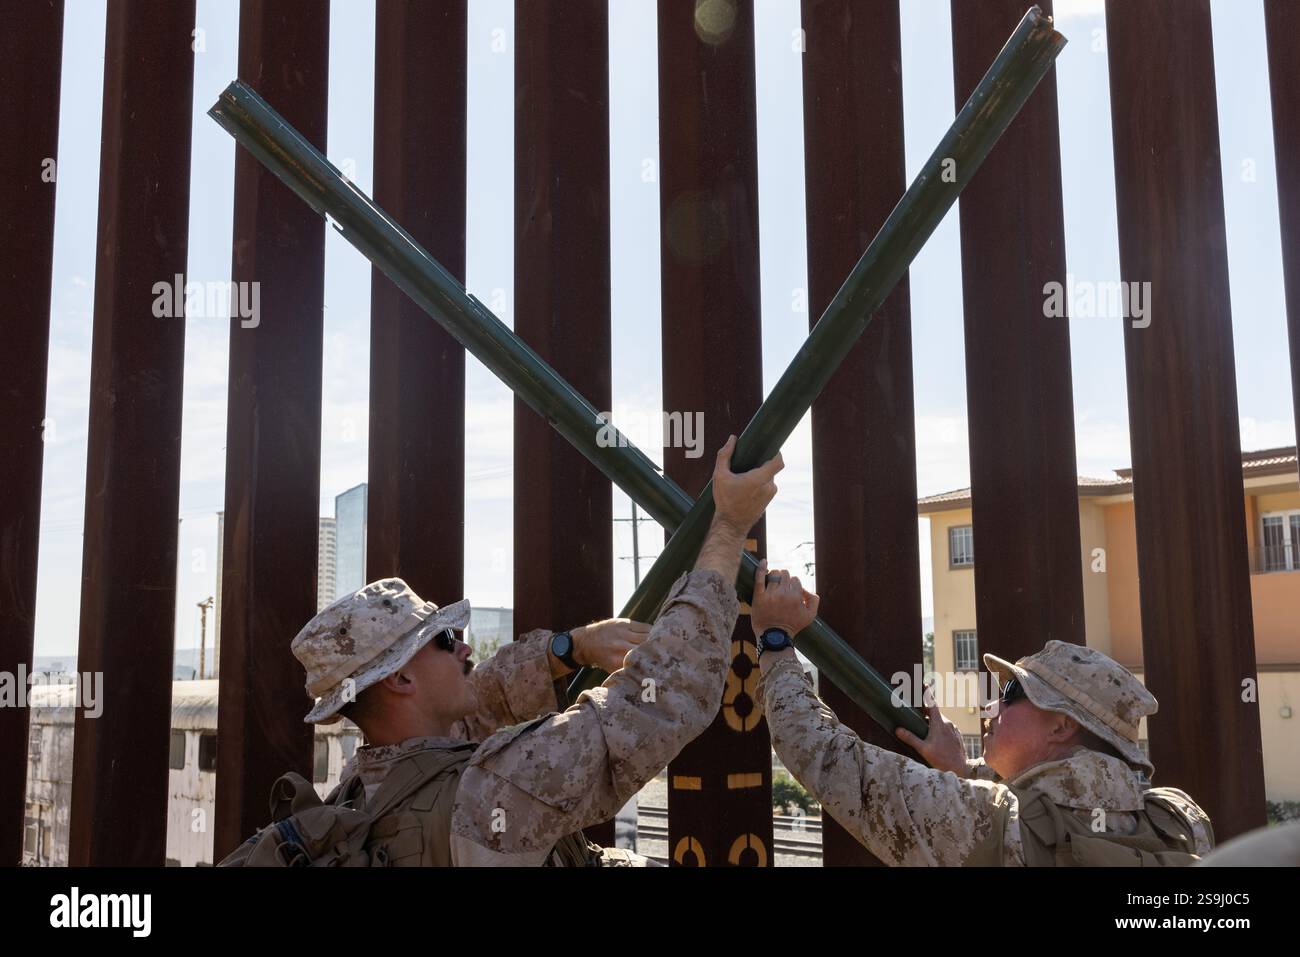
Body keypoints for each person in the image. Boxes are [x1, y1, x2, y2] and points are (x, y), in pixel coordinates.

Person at [223, 435, 782, 866]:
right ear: (399, 681)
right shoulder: (497, 790)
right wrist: (730, 526)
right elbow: (663, 698)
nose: (465, 648)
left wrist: (570, 649)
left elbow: (480, 702)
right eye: (443, 641)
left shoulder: (360, 794)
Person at [749, 567, 1214, 866]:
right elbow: (1065, 793)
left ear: (1061, 724)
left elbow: (822, 754)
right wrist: (965, 770)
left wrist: (776, 637)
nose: (988, 706)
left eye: (1012, 693)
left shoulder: (982, 820)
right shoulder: (1177, 820)